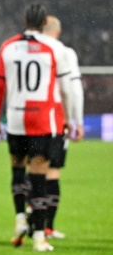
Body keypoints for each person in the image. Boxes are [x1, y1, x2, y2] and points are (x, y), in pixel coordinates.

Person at [0, 4, 74, 252]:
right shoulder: (52, 49)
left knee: (17, 172)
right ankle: (39, 236)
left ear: (24, 20)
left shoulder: (7, 47)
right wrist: (67, 117)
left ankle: (19, 220)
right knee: (38, 178)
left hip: (16, 118)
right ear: (43, 23)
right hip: (43, 119)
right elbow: (66, 90)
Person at [39, 15, 84, 239]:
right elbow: (73, 90)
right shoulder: (64, 52)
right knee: (53, 172)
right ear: (57, 31)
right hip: (56, 119)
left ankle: (31, 219)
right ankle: (47, 226)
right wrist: (77, 121)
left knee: (33, 171)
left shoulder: (26, 49)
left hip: (30, 119)